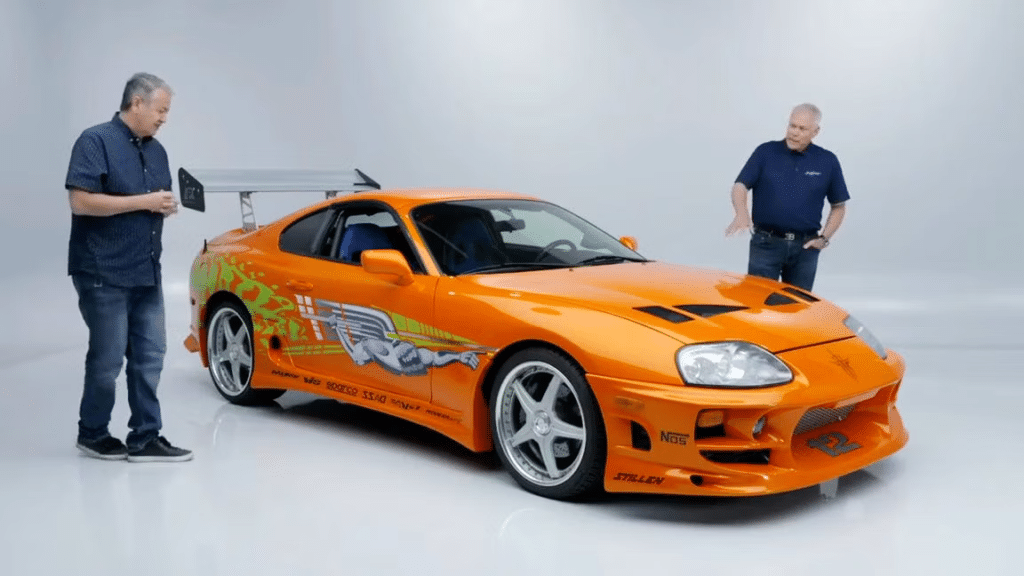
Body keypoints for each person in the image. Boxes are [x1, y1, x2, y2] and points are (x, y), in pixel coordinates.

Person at [65, 72, 192, 462]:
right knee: (107, 358)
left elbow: (152, 203)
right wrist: (144, 202)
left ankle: (145, 437)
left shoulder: (158, 151)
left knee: (151, 355)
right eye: (160, 110)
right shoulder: (94, 140)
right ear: (137, 103)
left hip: (146, 270)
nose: (164, 119)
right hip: (103, 270)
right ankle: (92, 433)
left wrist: (164, 207)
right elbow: (81, 202)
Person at [725, 103, 849, 291]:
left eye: (802, 128)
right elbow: (740, 186)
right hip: (766, 244)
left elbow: (839, 205)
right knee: (758, 305)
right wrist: (741, 213)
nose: (794, 132)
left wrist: (824, 238)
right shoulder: (765, 152)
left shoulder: (827, 161)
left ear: (815, 132)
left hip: (805, 249)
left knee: (797, 310)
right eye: (792, 126)